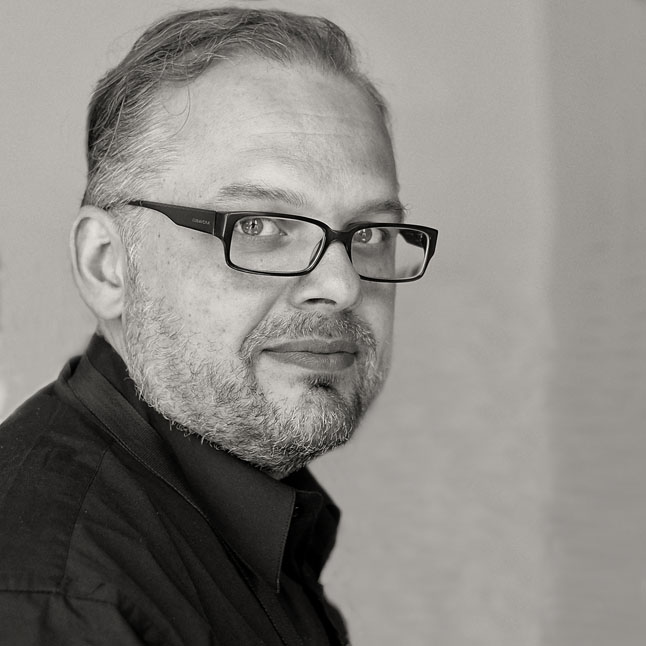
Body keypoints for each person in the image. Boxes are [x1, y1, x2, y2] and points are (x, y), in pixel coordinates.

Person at [0, 7, 437, 645]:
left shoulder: (250, 526)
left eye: (369, 234)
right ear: (108, 265)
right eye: (259, 226)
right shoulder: (62, 598)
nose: (343, 286)